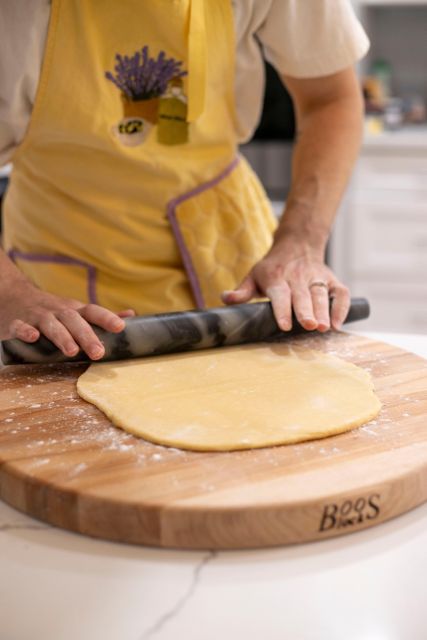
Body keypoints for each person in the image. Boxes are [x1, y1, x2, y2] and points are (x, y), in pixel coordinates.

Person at [0, 0, 369, 360]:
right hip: (67, 262)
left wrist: (300, 242)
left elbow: (329, 98)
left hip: (230, 249)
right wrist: (9, 292)